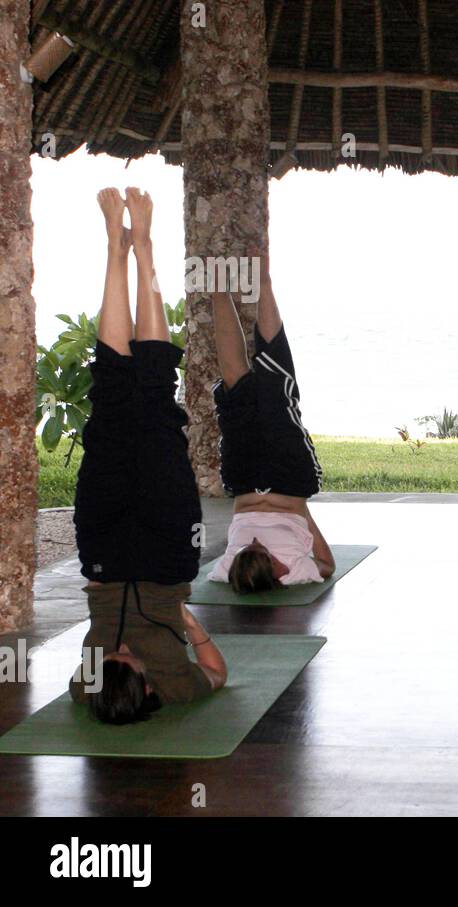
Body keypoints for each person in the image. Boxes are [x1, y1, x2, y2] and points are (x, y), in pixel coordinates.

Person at [69, 187, 227, 724]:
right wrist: (182, 620)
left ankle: (124, 249)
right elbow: (217, 676)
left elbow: (214, 673)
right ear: (144, 683)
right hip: (149, 550)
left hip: (121, 548)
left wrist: (182, 623)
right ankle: (136, 253)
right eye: (127, 663)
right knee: (143, 394)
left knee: (124, 393)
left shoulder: (100, 683)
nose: (123, 653)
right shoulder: (154, 684)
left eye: (115, 658)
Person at [206, 250, 333, 593]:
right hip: (249, 481)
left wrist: (302, 516)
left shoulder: (294, 570)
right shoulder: (226, 569)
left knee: (272, 384)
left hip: (283, 482)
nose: (258, 542)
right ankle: (222, 286)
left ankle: (256, 282)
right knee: (237, 386)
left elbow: (328, 566)